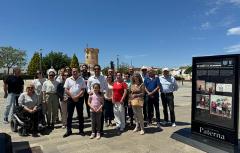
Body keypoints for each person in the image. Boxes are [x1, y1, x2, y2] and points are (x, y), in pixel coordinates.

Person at [63, 67, 86, 138]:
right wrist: (73, 96)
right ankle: (69, 130)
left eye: (76, 71)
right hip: (70, 99)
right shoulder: (68, 79)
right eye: (73, 71)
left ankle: (81, 130)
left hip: (79, 99)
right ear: (71, 72)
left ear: (78, 72)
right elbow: (66, 89)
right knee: (69, 115)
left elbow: (83, 90)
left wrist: (77, 96)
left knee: (80, 115)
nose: (74, 72)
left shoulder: (81, 79)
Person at [87, 64, 108, 136]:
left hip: (100, 97)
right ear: (93, 70)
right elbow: (88, 87)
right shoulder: (90, 78)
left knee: (100, 115)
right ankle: (93, 131)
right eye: (95, 69)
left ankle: (100, 130)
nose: (96, 70)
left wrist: (103, 93)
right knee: (93, 116)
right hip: (93, 97)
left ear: (100, 69)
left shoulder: (103, 78)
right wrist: (89, 92)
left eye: (98, 69)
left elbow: (106, 87)